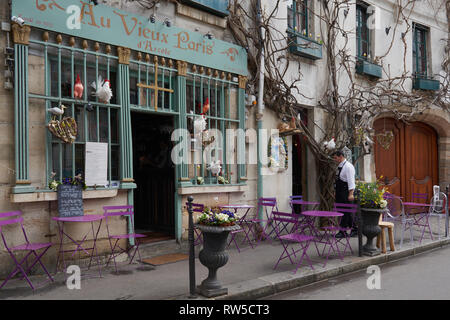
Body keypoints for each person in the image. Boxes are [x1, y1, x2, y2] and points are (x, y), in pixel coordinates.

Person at [332, 150, 357, 238]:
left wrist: (351, 194)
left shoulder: (348, 167)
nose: (335, 160)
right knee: (342, 211)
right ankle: (355, 228)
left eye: (336, 158)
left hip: (346, 192)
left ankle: (343, 231)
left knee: (345, 211)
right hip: (340, 192)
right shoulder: (340, 166)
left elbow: (351, 181)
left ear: (341, 156)